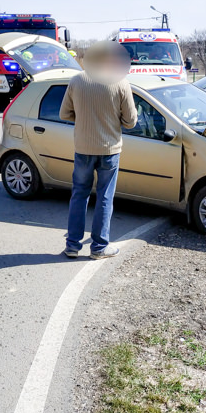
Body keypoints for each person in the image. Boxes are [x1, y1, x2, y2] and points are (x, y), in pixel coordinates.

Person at [59, 42, 137, 259]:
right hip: (110, 150)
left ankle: (72, 245)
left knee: (79, 195)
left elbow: (64, 114)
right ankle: (99, 247)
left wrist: (84, 119)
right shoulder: (120, 82)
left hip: (83, 148)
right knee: (104, 198)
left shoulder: (76, 80)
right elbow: (130, 122)